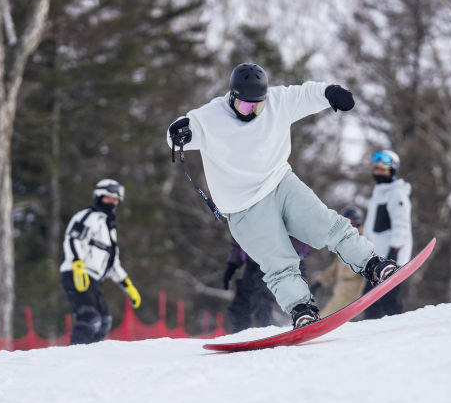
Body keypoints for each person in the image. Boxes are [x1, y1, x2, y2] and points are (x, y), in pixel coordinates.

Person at [167, 62, 397, 329]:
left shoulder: (277, 101)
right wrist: (177, 132)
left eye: (258, 105)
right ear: (232, 97)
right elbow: (177, 135)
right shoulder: (209, 118)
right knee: (279, 261)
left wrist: (331, 92)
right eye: (245, 106)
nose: (252, 111)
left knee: (328, 225)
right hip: (243, 207)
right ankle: (302, 308)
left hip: (281, 184)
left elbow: (307, 93)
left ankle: (372, 264)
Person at [59, 178, 142, 344]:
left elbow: (113, 262)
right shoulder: (88, 216)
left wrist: (127, 285)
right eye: (108, 198)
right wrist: (77, 264)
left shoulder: (108, 227)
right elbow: (73, 240)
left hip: (93, 279)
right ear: (98, 197)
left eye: (115, 200)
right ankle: (72, 356)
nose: (112, 203)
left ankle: (90, 357)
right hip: (76, 273)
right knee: (90, 319)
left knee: (104, 321)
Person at [360, 149, 413, 319]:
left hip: (392, 257)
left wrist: (394, 251)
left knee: (387, 297)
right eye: (377, 169)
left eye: (383, 170)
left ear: (392, 171)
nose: (379, 173)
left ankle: (396, 325)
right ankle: (371, 328)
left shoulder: (396, 193)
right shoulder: (378, 194)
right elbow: (371, 227)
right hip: (377, 257)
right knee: (370, 298)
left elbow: (401, 224)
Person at [223, 236, 311, 332]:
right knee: (240, 305)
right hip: (254, 260)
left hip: (286, 254)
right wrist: (232, 264)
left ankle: (304, 319)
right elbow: (238, 236)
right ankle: (240, 336)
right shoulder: (236, 222)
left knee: (263, 299)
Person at [310, 207, 367, 316]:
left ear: (358, 222)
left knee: (329, 317)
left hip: (354, 292)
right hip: (340, 291)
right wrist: (319, 283)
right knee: (325, 317)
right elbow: (335, 268)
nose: (349, 225)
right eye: (346, 222)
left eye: (352, 221)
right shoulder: (344, 242)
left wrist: (368, 289)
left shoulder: (363, 241)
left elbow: (368, 265)